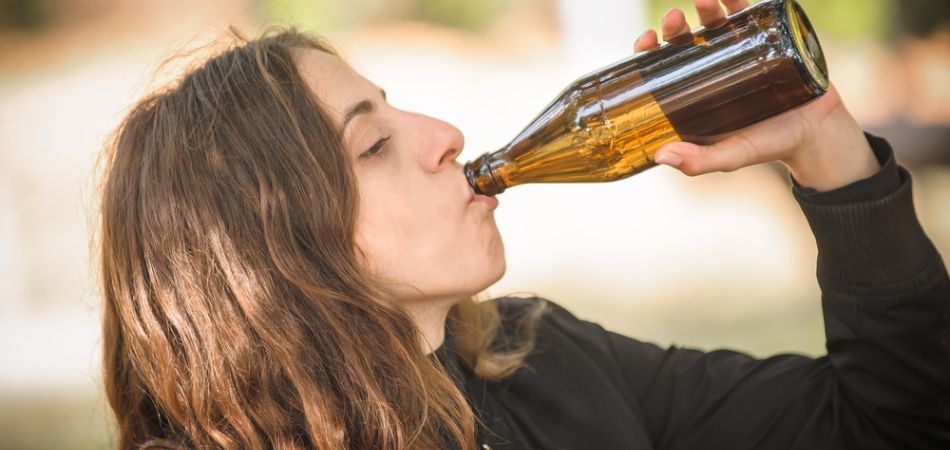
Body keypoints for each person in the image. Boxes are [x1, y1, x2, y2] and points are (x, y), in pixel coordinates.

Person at [97, 0, 949, 448]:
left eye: (399, 110)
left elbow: (893, 427)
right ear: (270, 250)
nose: (445, 136)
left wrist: (826, 149)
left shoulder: (536, 362)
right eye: (373, 146)